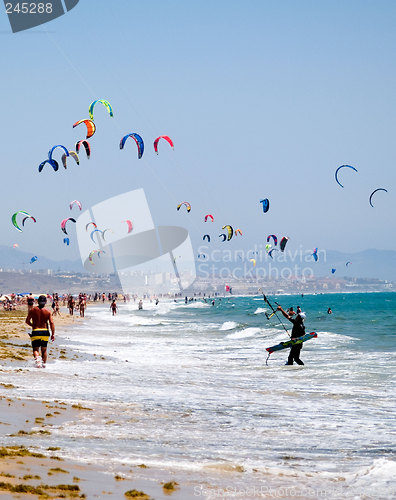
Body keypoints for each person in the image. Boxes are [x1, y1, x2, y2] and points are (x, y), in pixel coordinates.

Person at [25, 295, 55, 368]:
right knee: (44, 350)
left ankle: (38, 362)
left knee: (35, 349)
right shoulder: (48, 312)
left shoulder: (33, 310)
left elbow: (27, 321)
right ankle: (44, 365)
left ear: (37, 301)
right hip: (45, 331)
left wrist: (33, 326)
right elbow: (51, 323)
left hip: (36, 331)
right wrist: (53, 334)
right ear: (45, 302)